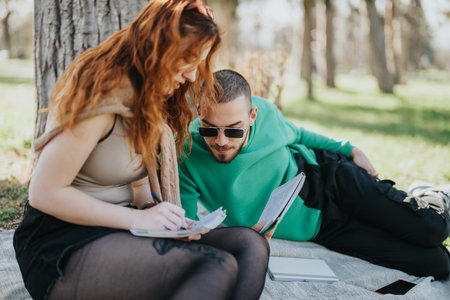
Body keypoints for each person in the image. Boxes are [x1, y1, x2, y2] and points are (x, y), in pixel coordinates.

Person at [13, 3, 269, 300]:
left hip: (122, 225)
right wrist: (138, 221)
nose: (190, 76)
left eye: (197, 64)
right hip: (62, 240)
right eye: (186, 61)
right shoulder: (100, 95)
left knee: (250, 244)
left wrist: (166, 219)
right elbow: (44, 193)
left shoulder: (150, 94)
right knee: (216, 265)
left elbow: (136, 183)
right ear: (158, 49)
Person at [178, 69, 450, 280]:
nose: (222, 141)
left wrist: (349, 148)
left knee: (433, 228)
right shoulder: (186, 154)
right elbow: (191, 230)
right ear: (199, 115)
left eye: (234, 130)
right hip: (324, 228)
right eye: (210, 129)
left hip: (334, 180)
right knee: (438, 264)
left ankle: (431, 195)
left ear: (252, 116)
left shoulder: (268, 116)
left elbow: (300, 134)